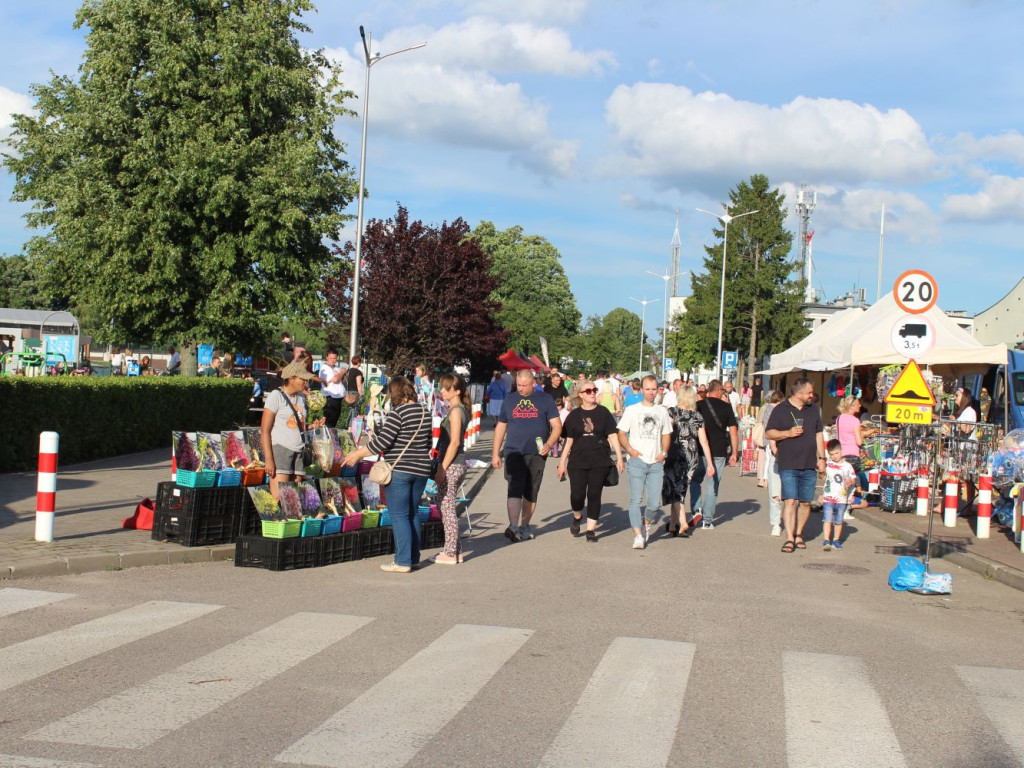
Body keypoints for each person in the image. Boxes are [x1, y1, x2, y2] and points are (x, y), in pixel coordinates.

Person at [343, 377, 432, 573]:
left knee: (399, 515)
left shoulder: (398, 413)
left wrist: (357, 454)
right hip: (421, 469)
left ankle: (402, 561)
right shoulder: (425, 411)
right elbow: (428, 443)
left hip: (400, 469)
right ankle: (413, 558)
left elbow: (382, 442)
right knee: (412, 513)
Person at [491, 369, 562, 542]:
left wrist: (549, 444)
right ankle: (513, 526)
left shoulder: (545, 399)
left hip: (537, 453)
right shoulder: (510, 400)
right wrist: (495, 454)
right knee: (514, 488)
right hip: (514, 451)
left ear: (533, 383)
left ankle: (524, 525)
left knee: (531, 490)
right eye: (518, 385)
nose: (520, 388)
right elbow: (501, 427)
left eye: (524, 385)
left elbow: (557, 426)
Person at [556, 380, 623, 542]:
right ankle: (577, 516)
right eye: (588, 391)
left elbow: (612, 435)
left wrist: (620, 457)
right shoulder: (573, 415)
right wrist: (562, 463)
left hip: (599, 460)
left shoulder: (603, 412)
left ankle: (591, 530)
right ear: (580, 395)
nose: (592, 393)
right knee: (577, 495)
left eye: (594, 390)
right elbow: (568, 441)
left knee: (594, 493)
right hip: (577, 461)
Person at [765, 378, 826, 553]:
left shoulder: (813, 409)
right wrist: (788, 433)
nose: (812, 395)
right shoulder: (781, 409)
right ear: (799, 394)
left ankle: (799, 534)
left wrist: (822, 458)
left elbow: (819, 435)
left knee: (805, 502)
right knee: (790, 500)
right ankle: (790, 538)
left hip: (809, 463)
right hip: (788, 462)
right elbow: (769, 433)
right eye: (809, 393)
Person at [617, 375, 672, 550]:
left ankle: (646, 522)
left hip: (656, 462)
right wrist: (630, 450)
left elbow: (666, 434)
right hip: (637, 461)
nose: (650, 392)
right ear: (641, 390)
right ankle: (638, 535)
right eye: (647, 389)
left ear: (658, 390)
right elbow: (621, 433)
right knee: (635, 500)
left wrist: (664, 452)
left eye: (654, 389)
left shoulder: (662, 411)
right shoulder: (632, 410)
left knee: (654, 504)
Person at [663, 386, 714, 538]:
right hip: (692, 455)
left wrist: (661, 452)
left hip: (675, 454)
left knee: (676, 489)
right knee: (679, 489)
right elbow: (704, 441)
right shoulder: (697, 416)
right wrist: (710, 463)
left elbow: (666, 434)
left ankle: (683, 522)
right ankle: (673, 525)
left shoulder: (672, 412)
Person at [261, 361, 315, 503]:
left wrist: (312, 426)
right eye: (303, 379)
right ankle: (276, 518)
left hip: (299, 451)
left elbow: (297, 424)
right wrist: (269, 459)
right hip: (281, 449)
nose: (306, 382)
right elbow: (265, 430)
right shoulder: (276, 396)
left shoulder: (301, 398)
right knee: (279, 496)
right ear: (291, 379)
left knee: (293, 496)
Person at [431, 374, 470, 565]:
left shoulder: (456, 411)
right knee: (447, 507)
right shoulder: (460, 410)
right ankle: (456, 551)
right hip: (456, 463)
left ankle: (449, 552)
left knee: (447, 509)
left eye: (447, 388)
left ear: (457, 391)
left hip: (452, 464)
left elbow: (454, 442)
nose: (442, 391)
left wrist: (442, 467)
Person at [695, 380, 739, 529]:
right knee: (712, 484)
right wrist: (734, 452)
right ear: (719, 390)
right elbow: (733, 432)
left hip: (700, 449)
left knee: (695, 480)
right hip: (719, 450)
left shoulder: (698, 405)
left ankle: (696, 509)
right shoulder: (726, 407)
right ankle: (707, 520)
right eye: (723, 391)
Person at [821, 439, 857, 551]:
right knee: (827, 519)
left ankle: (836, 540)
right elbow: (822, 477)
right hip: (828, 497)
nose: (834, 456)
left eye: (836, 453)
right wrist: (821, 472)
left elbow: (853, 479)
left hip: (841, 498)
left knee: (839, 520)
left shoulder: (848, 466)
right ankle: (826, 539)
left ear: (841, 451)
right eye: (831, 454)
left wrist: (850, 481)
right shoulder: (828, 464)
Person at [762, 390, 786, 536]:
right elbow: (771, 439)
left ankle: (789, 521)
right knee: (775, 493)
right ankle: (776, 523)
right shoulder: (773, 415)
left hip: (790, 459)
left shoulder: (788, 417)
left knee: (789, 495)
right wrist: (776, 452)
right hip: (776, 457)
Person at [319, 348, 348, 428]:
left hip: (338, 398)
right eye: (330, 358)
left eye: (334, 358)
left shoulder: (336, 368)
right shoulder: (325, 368)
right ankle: (327, 434)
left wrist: (344, 373)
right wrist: (342, 372)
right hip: (330, 398)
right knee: (329, 423)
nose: (332, 360)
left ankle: (331, 434)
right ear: (327, 357)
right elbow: (335, 380)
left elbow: (342, 377)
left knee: (334, 421)